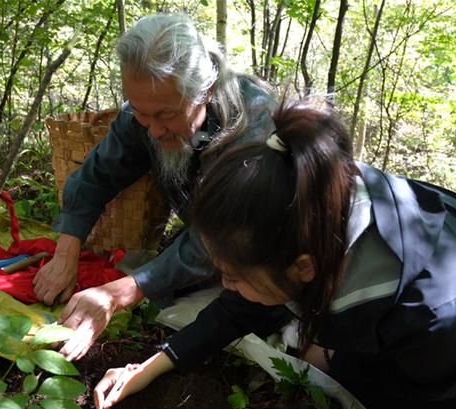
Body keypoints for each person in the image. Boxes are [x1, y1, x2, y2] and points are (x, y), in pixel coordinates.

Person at [92, 97, 456, 409]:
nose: (225, 285)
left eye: (235, 277)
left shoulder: (428, 320)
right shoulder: (306, 193)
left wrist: (335, 358)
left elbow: (412, 406)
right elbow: (238, 308)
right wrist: (151, 366)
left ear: (303, 269)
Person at [33, 13, 276, 360]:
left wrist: (118, 294)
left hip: (262, 248)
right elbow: (97, 174)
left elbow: (222, 236)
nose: (153, 130)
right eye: (143, 115)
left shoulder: (251, 123)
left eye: (165, 115)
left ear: (204, 91)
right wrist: (66, 253)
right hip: (205, 233)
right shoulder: (146, 110)